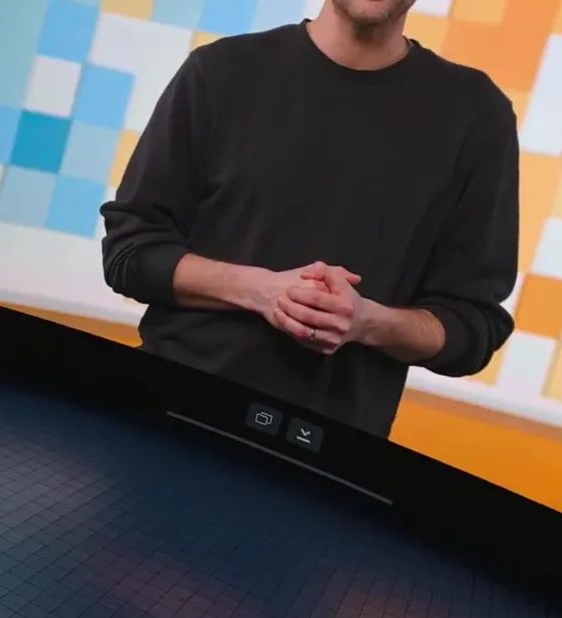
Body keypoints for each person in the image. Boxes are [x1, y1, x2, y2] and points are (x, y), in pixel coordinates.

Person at [100, 0, 519, 438]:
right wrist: (262, 291)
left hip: (327, 452)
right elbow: (131, 253)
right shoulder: (220, 71)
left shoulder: (476, 116)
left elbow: (472, 327)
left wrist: (366, 321)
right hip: (166, 417)